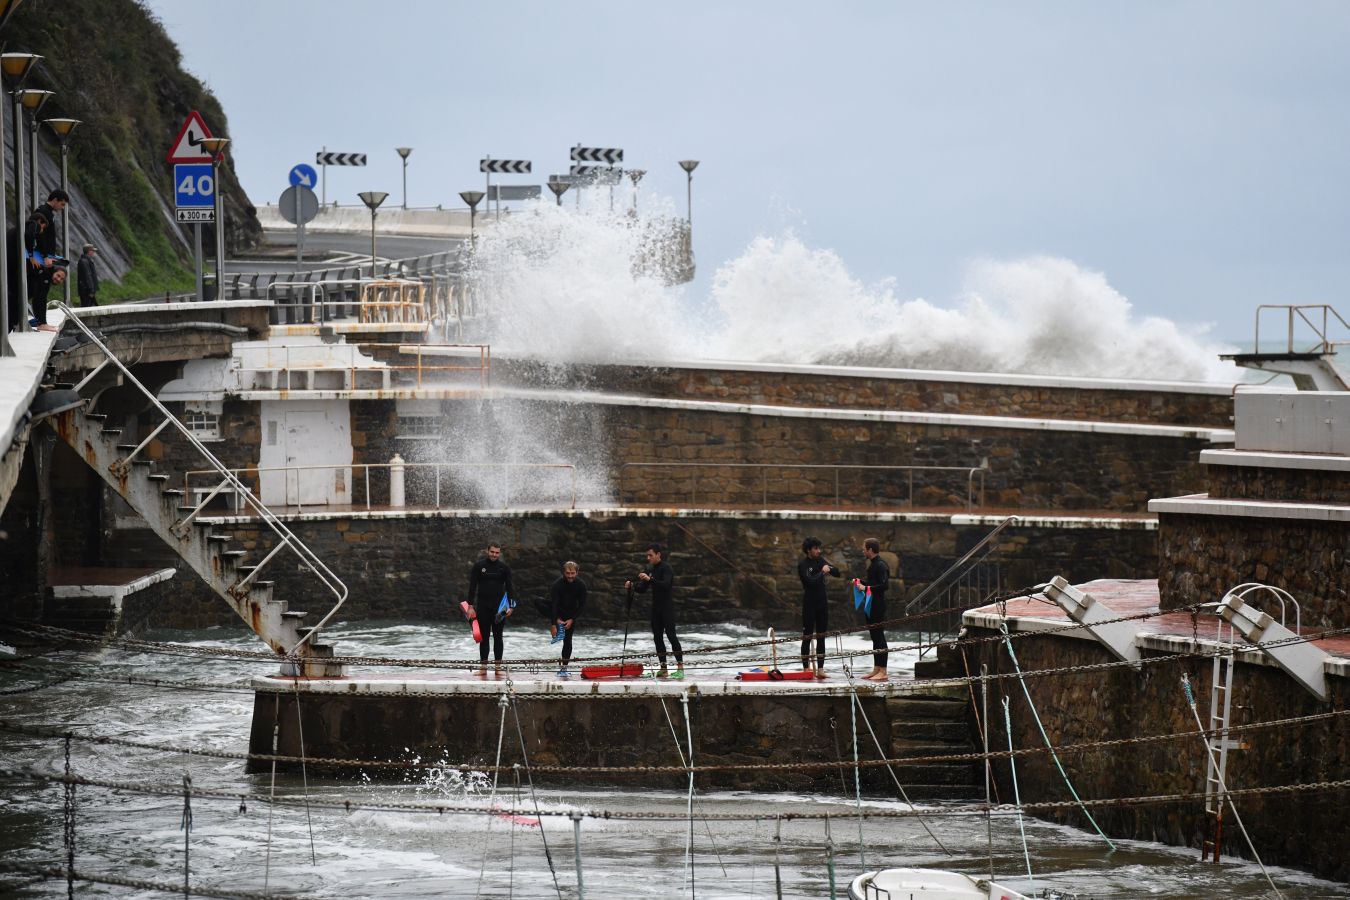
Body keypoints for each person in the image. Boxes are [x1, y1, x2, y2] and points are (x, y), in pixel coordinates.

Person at [625, 542, 683, 679]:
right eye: (647, 555)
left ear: (658, 554)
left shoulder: (666, 568)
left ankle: (680, 668)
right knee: (657, 638)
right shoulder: (650, 569)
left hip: (667, 608)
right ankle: (664, 669)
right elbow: (642, 589)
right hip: (656, 609)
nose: (648, 558)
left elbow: (666, 585)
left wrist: (650, 579)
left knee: (671, 636)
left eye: (650, 555)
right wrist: (632, 585)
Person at [466, 542, 515, 673]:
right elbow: (472, 587)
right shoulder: (479, 566)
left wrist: (512, 606)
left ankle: (498, 668)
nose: (494, 555)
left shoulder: (504, 568)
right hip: (483, 607)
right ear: (488, 551)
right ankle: (483, 668)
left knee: (498, 637)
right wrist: (470, 606)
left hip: (499, 609)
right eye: (492, 552)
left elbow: (510, 587)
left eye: (497, 552)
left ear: (499, 553)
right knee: (484, 637)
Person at [797, 536, 842, 678]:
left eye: (819, 548)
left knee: (821, 636)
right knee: (807, 636)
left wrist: (830, 569)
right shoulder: (803, 565)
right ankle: (806, 670)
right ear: (809, 550)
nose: (819, 551)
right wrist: (822, 572)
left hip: (822, 604)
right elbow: (810, 582)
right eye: (816, 548)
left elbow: (837, 573)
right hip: (809, 604)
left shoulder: (820, 561)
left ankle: (821, 670)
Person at [854, 537, 891, 681]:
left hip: (878, 605)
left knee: (879, 636)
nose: (863, 551)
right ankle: (877, 668)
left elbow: (884, 585)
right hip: (871, 605)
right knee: (874, 637)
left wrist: (866, 587)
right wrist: (860, 582)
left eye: (864, 548)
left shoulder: (881, 565)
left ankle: (884, 670)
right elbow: (872, 583)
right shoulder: (873, 565)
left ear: (870, 550)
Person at [22, 211, 63, 331]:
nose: (42, 231)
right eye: (43, 227)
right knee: (36, 293)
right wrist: (32, 256)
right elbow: (30, 236)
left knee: (32, 293)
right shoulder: (33, 225)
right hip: (25, 267)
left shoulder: (26, 229)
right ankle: (41, 323)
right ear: (40, 222)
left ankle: (39, 322)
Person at [548, 561, 587, 675]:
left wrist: (572, 619)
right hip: (558, 612)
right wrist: (554, 623)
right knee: (538, 602)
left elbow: (582, 605)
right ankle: (558, 621)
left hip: (570, 615)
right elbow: (554, 604)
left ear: (577, 572)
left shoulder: (581, 585)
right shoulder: (557, 584)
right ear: (563, 572)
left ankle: (564, 669)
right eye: (568, 573)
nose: (570, 576)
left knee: (567, 640)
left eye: (572, 573)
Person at [76, 243, 99, 308]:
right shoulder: (84, 261)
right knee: (86, 307)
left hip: (87, 290)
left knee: (92, 307)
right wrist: (91, 290)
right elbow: (88, 276)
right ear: (89, 251)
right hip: (86, 291)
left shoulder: (86, 260)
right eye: (92, 251)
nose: (93, 252)